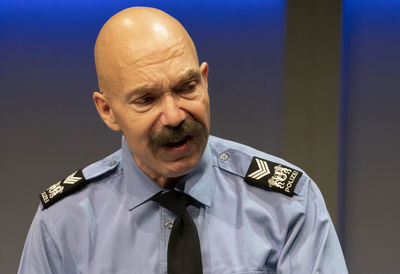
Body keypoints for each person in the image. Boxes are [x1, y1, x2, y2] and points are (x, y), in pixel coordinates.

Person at [18, 6, 348, 274]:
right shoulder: (64, 221)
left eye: (186, 88)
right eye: (146, 99)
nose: (175, 116)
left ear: (204, 81)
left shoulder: (288, 204)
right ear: (107, 110)